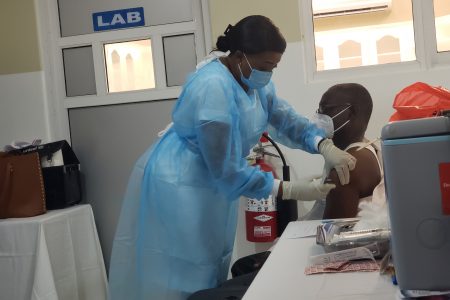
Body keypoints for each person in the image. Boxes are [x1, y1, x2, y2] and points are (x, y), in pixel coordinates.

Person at [108, 15, 356, 300]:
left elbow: (285, 120)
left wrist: (322, 143)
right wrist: (288, 189)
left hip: (212, 182)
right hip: (180, 181)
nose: (269, 74)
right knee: (179, 265)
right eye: (265, 66)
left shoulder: (254, 82)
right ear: (240, 56)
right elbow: (226, 171)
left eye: (274, 67)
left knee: (212, 259)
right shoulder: (213, 88)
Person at [304, 83, 382, 220]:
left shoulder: (344, 170)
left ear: (350, 114)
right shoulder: (368, 148)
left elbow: (332, 236)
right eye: (319, 110)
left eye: (325, 109)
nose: (319, 116)